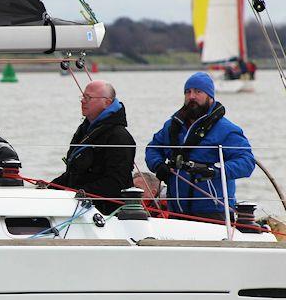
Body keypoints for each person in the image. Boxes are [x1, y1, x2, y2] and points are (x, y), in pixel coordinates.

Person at [145, 72, 254, 222]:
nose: (192, 97)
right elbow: (152, 149)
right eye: (188, 92)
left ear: (210, 96)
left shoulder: (227, 129)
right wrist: (158, 165)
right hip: (176, 210)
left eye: (198, 91)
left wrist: (216, 171)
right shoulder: (171, 126)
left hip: (213, 210)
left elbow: (247, 162)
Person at [49, 80, 135, 214]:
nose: (83, 101)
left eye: (88, 98)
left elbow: (117, 182)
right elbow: (73, 174)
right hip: (79, 205)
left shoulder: (119, 136)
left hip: (106, 212)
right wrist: (50, 187)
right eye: (82, 97)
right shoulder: (85, 130)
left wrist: (79, 192)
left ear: (107, 102)